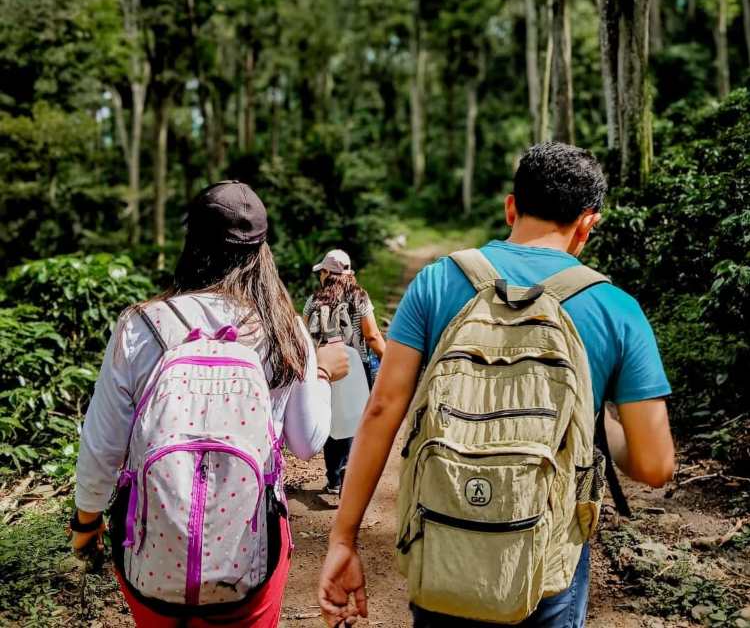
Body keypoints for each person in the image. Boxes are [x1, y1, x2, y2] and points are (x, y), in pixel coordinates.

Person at [318, 142, 675, 628]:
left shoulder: (437, 282)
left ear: (511, 206)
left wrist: (344, 538)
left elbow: (382, 410)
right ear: (588, 223)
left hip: (444, 544)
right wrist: (591, 420)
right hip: (545, 570)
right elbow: (654, 466)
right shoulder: (617, 310)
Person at [70, 180, 349, 628]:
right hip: (251, 546)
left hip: (153, 546)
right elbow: (306, 441)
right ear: (261, 250)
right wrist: (318, 372)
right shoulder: (284, 328)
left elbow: (102, 447)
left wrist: (86, 524)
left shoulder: (140, 327)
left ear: (191, 242)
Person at [303, 250, 386, 494]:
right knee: (355, 418)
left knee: (332, 421)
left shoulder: (314, 300)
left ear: (328, 273)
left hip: (326, 368)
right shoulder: (359, 298)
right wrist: (390, 360)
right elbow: (372, 335)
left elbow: (306, 337)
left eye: (322, 271)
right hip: (356, 367)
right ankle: (349, 470)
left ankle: (334, 479)